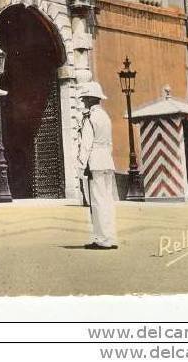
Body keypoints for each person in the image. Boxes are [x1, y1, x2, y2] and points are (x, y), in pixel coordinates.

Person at [77, 81, 118, 250]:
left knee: (97, 201)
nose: (83, 101)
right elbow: (109, 142)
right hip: (107, 161)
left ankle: (102, 239)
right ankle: (110, 237)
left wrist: (81, 166)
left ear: (89, 99)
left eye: (84, 98)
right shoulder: (105, 116)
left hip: (94, 162)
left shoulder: (90, 118)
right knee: (107, 200)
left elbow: (86, 144)